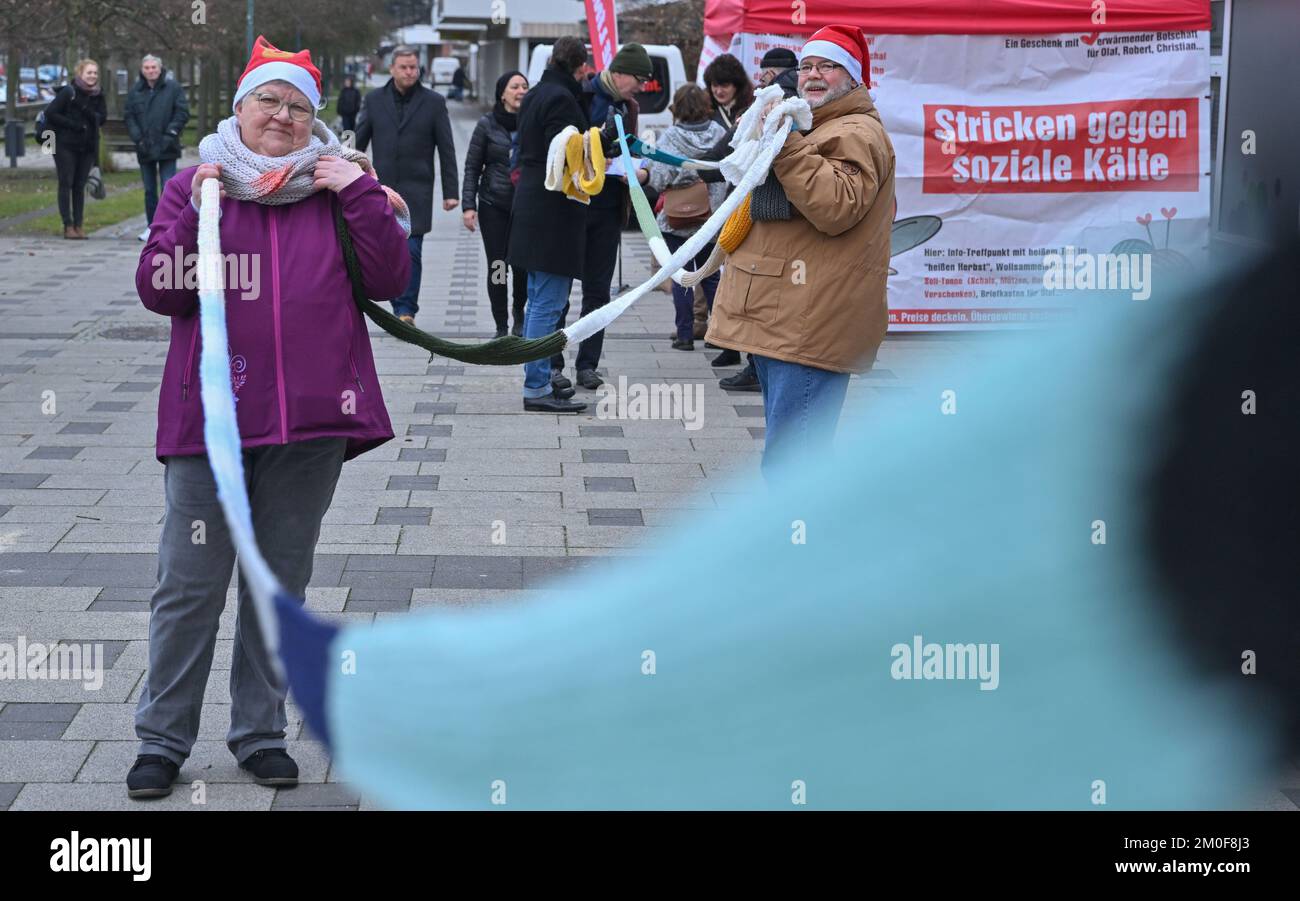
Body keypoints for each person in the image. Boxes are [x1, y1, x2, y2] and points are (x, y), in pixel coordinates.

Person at [128, 34, 411, 800]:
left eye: (297, 106)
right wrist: (197, 206)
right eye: (269, 102)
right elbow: (160, 286)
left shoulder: (337, 187)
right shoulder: (196, 185)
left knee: (277, 584)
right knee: (188, 585)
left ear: (314, 119)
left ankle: (259, 733)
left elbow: (389, 275)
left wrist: (355, 188)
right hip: (210, 423)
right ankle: (162, 738)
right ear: (240, 108)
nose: (282, 116)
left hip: (310, 425)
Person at [706, 25, 895, 480]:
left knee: (794, 464)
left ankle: (802, 546)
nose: (813, 75)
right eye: (807, 65)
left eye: (827, 66)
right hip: (786, 320)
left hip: (810, 326)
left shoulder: (857, 132)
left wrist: (786, 143)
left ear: (852, 77)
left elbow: (835, 206)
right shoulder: (814, 124)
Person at [548, 42, 653, 394]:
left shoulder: (628, 105)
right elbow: (570, 147)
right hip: (576, 206)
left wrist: (640, 171)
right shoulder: (581, 95)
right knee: (560, 292)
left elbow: (629, 148)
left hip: (609, 209)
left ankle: (588, 365)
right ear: (620, 72)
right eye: (638, 79)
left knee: (598, 292)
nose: (641, 86)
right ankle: (552, 364)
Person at [508, 36, 598, 413]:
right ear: (580, 68)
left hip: (530, 206)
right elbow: (564, 156)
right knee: (548, 302)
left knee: (537, 301)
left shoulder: (535, 93)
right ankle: (537, 385)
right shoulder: (562, 100)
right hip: (552, 213)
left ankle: (539, 377)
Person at [704, 47, 800, 388]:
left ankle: (759, 368)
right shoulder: (764, 105)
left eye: (768, 74)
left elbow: (729, 151)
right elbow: (729, 150)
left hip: (766, 214)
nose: (763, 80)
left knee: (758, 296)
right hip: (757, 211)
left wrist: (705, 166)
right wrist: (700, 165)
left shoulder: (784, 106)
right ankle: (754, 364)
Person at [355, 45, 459, 325]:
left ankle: (406, 310)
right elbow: (358, 142)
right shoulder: (375, 100)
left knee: (412, 249)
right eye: (404, 67)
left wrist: (451, 193)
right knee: (385, 249)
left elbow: (447, 149)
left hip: (418, 190)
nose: (410, 71)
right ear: (392, 68)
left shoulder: (434, 102)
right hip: (382, 189)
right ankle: (397, 301)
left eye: (413, 67)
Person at [645, 84, 726, 350]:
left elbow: (658, 178)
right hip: (710, 218)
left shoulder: (670, 137)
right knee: (711, 277)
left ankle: (684, 335)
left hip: (676, 220)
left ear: (677, 108)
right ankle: (721, 335)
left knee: (681, 277)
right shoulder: (719, 133)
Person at [462, 70, 529, 338]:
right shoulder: (487, 124)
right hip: (494, 205)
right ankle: (501, 325)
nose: (521, 90)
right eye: (515, 86)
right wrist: (469, 205)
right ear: (503, 93)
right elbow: (472, 166)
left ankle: (520, 319)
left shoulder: (532, 122)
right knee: (498, 266)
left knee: (523, 266)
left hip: (526, 206)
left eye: (525, 86)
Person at [125, 54, 190, 242]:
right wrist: (138, 138)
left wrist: (170, 134)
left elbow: (181, 112)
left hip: (167, 146)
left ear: (160, 68)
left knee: (168, 186)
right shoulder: (135, 91)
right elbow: (129, 116)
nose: (151, 71)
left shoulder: (173, 88)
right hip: (145, 147)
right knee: (149, 189)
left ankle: (167, 225)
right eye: (147, 68)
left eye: (154, 67)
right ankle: (151, 226)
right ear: (142, 70)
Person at [44, 59, 106, 240]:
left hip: (87, 147)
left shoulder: (98, 94)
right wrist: (73, 125)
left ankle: (79, 225)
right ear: (80, 73)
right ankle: (68, 225)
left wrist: (93, 117)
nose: (92, 76)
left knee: (80, 186)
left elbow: (102, 117)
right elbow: (51, 113)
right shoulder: (68, 92)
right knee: (66, 183)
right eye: (89, 72)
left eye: (95, 73)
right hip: (65, 145)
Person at [702, 53, 754, 132]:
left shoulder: (752, 108)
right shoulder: (703, 110)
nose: (719, 91)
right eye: (715, 85)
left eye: (725, 86)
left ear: (737, 85)